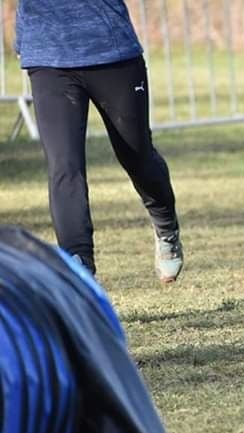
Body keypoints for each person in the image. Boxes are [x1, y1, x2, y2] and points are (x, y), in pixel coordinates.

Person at [15, 0, 183, 283]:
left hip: (110, 50)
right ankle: (79, 271)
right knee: (64, 166)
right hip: (47, 55)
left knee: (136, 154)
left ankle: (166, 226)